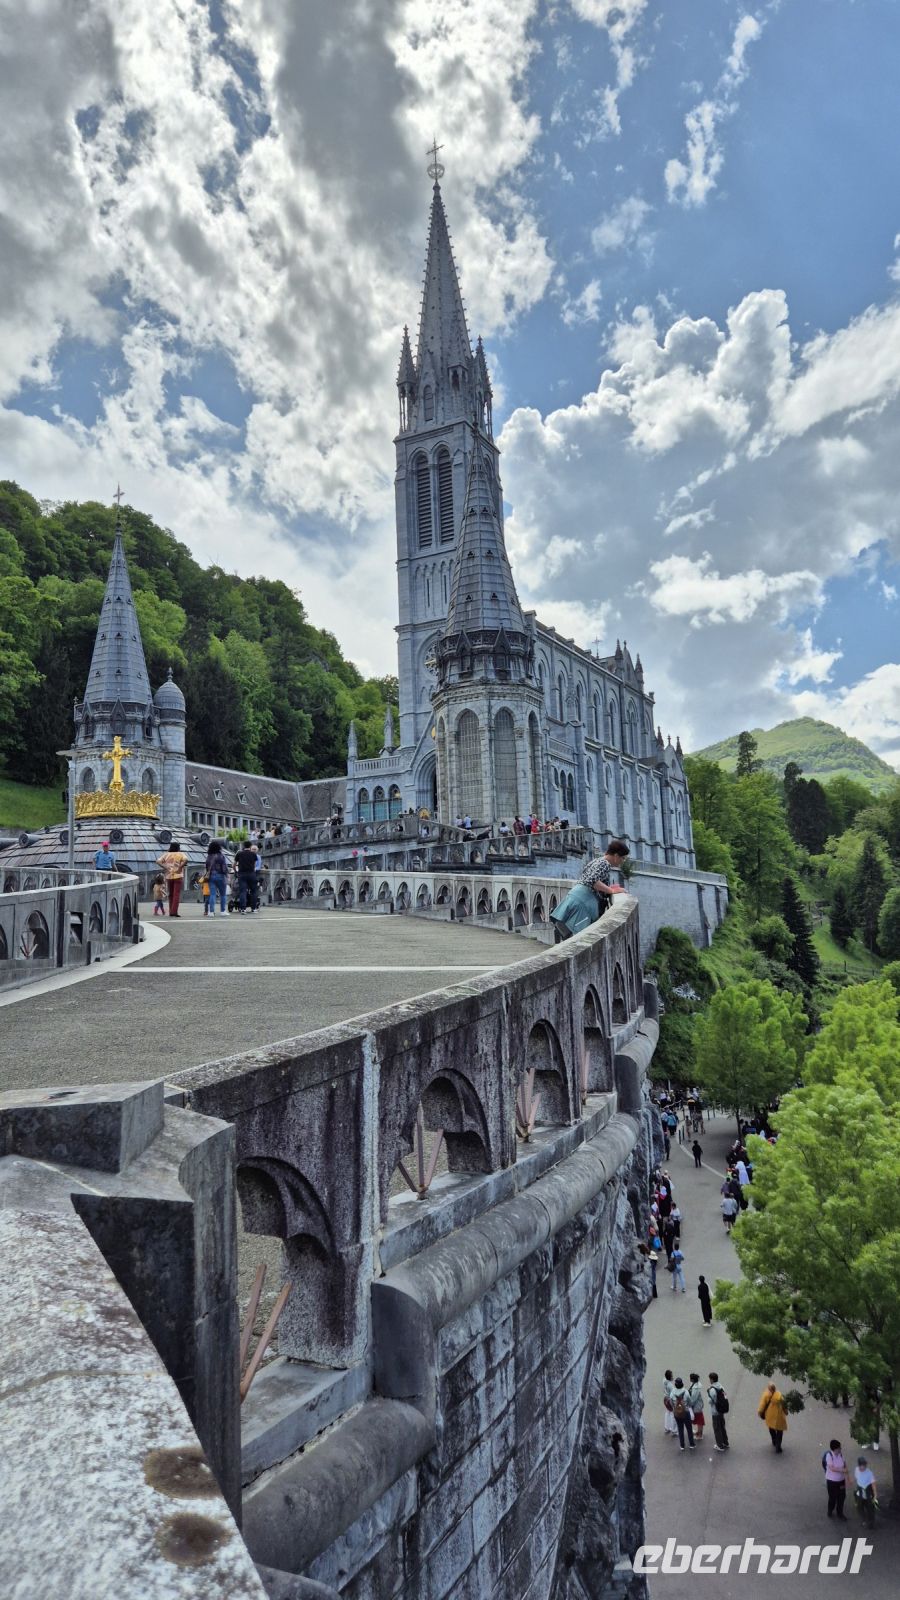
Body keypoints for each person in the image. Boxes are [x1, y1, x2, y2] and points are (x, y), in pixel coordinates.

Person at [156, 841, 188, 917]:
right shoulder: (180, 854)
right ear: (178, 848)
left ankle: (171, 911)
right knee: (176, 894)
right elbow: (186, 859)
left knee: (171, 894)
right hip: (178, 875)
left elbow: (158, 861)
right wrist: (180, 867)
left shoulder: (166, 854)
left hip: (168, 876)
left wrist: (165, 867)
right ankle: (174, 912)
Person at [758, 1382, 788, 1452]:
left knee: (771, 1428)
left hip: (770, 1415)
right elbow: (784, 1405)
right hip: (779, 1416)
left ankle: (774, 1440)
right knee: (780, 1431)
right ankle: (778, 1446)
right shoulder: (779, 1396)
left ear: (769, 1389)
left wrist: (760, 1412)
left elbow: (762, 1405)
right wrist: (786, 1412)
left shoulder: (766, 1395)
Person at [823, 1440, 849, 1519]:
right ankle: (830, 1509)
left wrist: (847, 1474)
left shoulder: (840, 1454)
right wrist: (842, 1470)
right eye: (839, 1448)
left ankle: (840, 1513)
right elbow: (832, 1468)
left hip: (841, 1481)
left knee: (842, 1496)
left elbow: (844, 1463)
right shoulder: (829, 1455)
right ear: (834, 1449)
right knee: (833, 1497)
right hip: (832, 1482)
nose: (840, 1449)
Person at [670, 1377, 695, 1451]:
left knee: (680, 1429)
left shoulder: (672, 1392)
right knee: (689, 1428)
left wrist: (675, 1408)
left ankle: (682, 1445)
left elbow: (671, 1402)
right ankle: (691, 1444)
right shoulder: (686, 1392)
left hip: (677, 1413)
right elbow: (690, 1403)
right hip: (685, 1412)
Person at [233, 841, 258, 913]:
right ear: (250, 847)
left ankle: (243, 909)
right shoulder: (253, 854)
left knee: (243, 891)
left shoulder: (239, 854)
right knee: (253, 891)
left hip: (242, 874)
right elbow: (254, 866)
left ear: (243, 846)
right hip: (251, 874)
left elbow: (234, 865)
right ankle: (253, 908)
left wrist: (236, 871)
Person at [205, 840, 229, 917]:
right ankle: (223, 911)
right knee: (223, 894)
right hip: (220, 876)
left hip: (211, 876)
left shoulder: (209, 856)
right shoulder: (221, 856)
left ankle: (211, 912)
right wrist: (227, 875)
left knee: (212, 894)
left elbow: (207, 867)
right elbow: (224, 867)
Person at [708, 1373, 730, 1452]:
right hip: (721, 1410)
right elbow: (725, 1396)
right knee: (722, 1427)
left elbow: (710, 1401)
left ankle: (719, 1445)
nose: (709, 1380)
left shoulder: (712, 1389)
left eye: (710, 1379)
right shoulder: (721, 1386)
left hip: (715, 1411)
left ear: (712, 1379)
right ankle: (725, 1442)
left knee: (717, 1428)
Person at [854, 1457, 876, 1527]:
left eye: (864, 1465)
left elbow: (873, 1484)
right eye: (862, 1465)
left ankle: (870, 1522)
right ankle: (864, 1519)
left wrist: (875, 1494)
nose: (864, 1466)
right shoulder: (856, 1470)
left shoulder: (869, 1473)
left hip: (868, 1493)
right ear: (859, 1465)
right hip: (860, 1492)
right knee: (859, 1507)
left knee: (870, 1508)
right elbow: (857, 1478)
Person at [687, 1374, 705, 1442]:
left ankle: (700, 1435)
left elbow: (693, 1399)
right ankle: (698, 1432)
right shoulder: (695, 1384)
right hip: (698, 1406)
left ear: (692, 1380)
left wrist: (689, 1404)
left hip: (696, 1407)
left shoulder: (695, 1388)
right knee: (699, 1420)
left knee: (699, 1421)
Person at [663, 1370, 678, 1437]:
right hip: (669, 1400)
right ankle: (674, 1430)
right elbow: (673, 1395)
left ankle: (667, 1427)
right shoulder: (670, 1386)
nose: (672, 1376)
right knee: (673, 1414)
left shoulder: (664, 1380)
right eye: (671, 1375)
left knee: (667, 1412)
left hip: (665, 1398)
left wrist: (670, 1379)